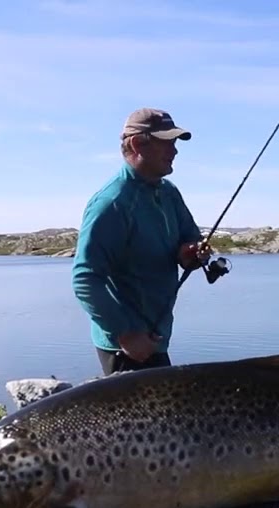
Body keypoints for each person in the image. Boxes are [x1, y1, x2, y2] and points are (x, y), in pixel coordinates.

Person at [71, 108, 213, 377]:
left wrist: (190, 254)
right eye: (167, 142)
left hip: (156, 337)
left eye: (175, 143)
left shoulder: (168, 192)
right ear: (137, 144)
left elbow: (188, 239)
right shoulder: (112, 203)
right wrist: (125, 334)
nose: (175, 151)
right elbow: (85, 278)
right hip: (124, 347)